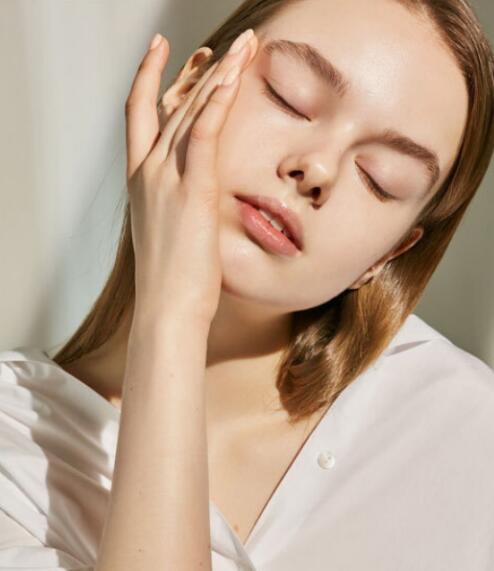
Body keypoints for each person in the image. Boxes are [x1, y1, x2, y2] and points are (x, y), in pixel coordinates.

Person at [1, 0, 494, 569]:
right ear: (190, 86)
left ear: (388, 255)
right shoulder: (14, 441)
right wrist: (172, 316)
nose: (319, 168)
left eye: (380, 179)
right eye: (290, 98)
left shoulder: (463, 433)